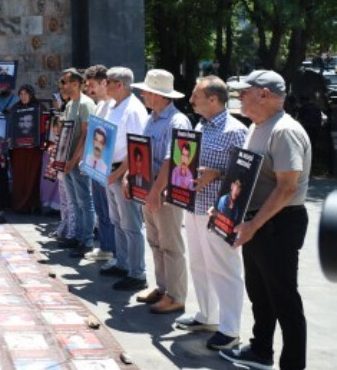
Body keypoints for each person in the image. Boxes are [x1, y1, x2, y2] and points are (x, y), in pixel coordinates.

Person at [222, 70, 311, 370]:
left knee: (283, 297)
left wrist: (253, 225)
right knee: (260, 292)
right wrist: (226, 210)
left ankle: (293, 364)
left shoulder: (284, 131)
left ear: (264, 94)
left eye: (244, 91)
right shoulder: (257, 126)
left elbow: (287, 188)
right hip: (257, 221)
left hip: (278, 223)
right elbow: (246, 178)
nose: (239, 97)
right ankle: (261, 350)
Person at [175, 76, 248, 352]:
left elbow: (245, 174)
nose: (191, 100)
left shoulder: (236, 131)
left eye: (196, 95)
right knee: (199, 264)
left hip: (219, 211)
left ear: (214, 99)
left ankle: (230, 330)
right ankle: (207, 315)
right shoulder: (200, 125)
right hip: (194, 206)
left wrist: (217, 174)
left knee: (224, 269)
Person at [134, 69, 190, 314]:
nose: (143, 95)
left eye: (146, 91)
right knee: (155, 241)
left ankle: (176, 296)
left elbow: (173, 160)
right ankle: (162, 287)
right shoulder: (152, 118)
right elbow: (140, 150)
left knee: (170, 245)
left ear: (158, 95)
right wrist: (130, 177)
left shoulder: (178, 121)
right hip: (150, 188)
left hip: (165, 192)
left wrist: (156, 191)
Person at [101, 67, 149, 291]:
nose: (105, 85)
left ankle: (137, 273)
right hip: (111, 171)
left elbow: (137, 148)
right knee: (117, 221)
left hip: (124, 173)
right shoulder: (113, 106)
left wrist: (119, 173)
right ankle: (123, 263)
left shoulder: (133, 110)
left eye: (108, 82)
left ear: (119, 85)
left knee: (131, 225)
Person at [58, 68, 96, 257]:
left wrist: (73, 160)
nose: (62, 86)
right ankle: (78, 235)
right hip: (68, 159)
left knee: (84, 200)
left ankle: (87, 239)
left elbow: (87, 134)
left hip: (79, 161)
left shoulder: (85, 104)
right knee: (74, 201)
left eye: (64, 82)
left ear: (75, 84)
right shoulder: (69, 105)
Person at [84, 64, 116, 263]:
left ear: (104, 83)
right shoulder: (100, 106)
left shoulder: (113, 105)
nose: (89, 90)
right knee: (101, 209)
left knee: (110, 211)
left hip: (108, 167)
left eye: (92, 85)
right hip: (96, 165)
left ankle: (112, 249)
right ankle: (105, 246)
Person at [9, 85, 42, 214]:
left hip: (33, 150)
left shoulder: (39, 108)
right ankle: (20, 205)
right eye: (21, 94)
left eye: (25, 94)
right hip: (19, 150)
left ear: (31, 95)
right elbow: (11, 126)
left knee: (33, 176)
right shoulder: (15, 108)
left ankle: (33, 204)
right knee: (19, 177)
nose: (23, 96)